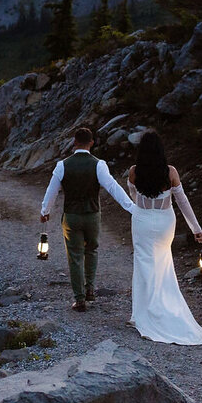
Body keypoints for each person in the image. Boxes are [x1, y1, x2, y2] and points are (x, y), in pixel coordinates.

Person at [124, 129, 202, 345]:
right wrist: (196, 228)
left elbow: (134, 196)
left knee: (143, 263)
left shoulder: (134, 172)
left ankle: (142, 314)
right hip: (165, 222)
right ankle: (163, 306)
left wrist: (144, 206)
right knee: (163, 263)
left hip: (142, 220)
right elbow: (182, 201)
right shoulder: (170, 172)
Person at [40, 125, 137, 312]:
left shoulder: (62, 165)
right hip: (92, 215)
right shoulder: (98, 164)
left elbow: (51, 191)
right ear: (91, 143)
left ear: (75, 142)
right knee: (92, 250)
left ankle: (79, 299)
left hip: (71, 216)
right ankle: (90, 288)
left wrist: (45, 211)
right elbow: (113, 187)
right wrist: (132, 208)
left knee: (75, 256)